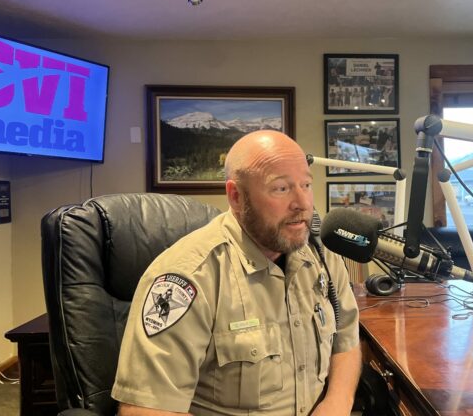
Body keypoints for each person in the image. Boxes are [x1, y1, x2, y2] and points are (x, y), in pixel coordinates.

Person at [112, 130, 362, 416]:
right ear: (236, 196)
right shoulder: (189, 276)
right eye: (281, 188)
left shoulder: (321, 254)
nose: (302, 203)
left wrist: (337, 402)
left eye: (306, 184)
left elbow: (347, 339)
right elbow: (144, 410)